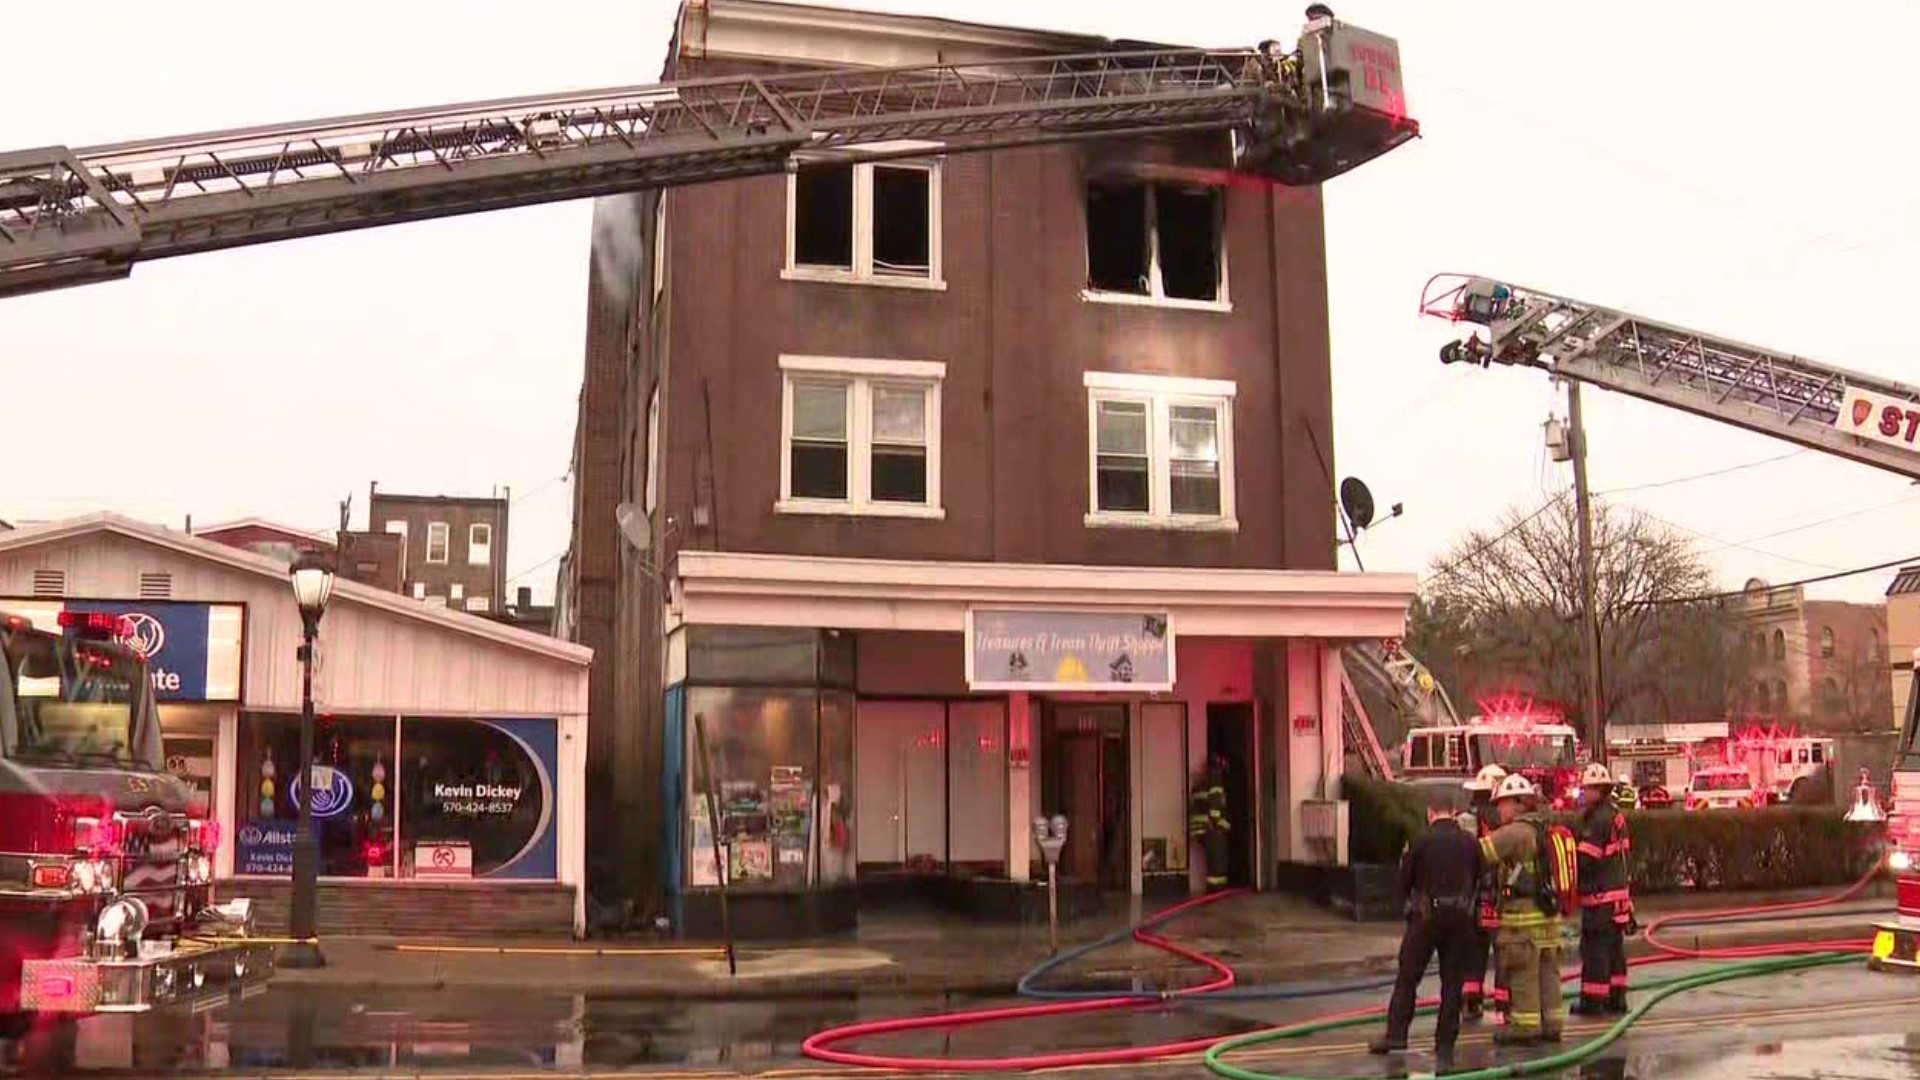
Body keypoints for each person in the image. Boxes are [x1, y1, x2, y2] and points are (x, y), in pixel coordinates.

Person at [1369, 804, 1482, 1065]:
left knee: (1408, 977)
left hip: (1426, 919)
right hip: (1459, 919)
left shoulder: (1420, 841)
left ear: (1430, 813)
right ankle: (1445, 1041)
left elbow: (1403, 880)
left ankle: (1396, 1035)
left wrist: (1408, 907)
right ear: (1453, 813)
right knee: (1452, 982)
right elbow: (1480, 875)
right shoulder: (1470, 842)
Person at [1476, 773, 1566, 1046]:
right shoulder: (1544, 827)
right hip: (1549, 917)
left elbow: (1480, 853)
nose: (1498, 810)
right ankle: (1552, 1024)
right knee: (1548, 974)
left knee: (1523, 974)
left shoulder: (1515, 832)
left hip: (1522, 919)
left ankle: (1525, 1028)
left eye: (1501, 804)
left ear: (1517, 803)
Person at [1572, 764, 1634, 1016]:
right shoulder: (1616, 815)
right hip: (1618, 897)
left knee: (1594, 949)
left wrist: (1566, 863)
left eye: (1586, 789)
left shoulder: (1596, 820)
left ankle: (1593, 1001)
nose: (1583, 794)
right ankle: (1617, 998)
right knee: (1614, 950)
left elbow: (1586, 859)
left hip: (1600, 899)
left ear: (1598, 790)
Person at [1461, 764, 1510, 1023]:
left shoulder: (1467, 820)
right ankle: (1504, 1005)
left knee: (1472, 954)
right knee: (1504, 954)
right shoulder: (1505, 820)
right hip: (1499, 897)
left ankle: (1471, 1003)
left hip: (1473, 899)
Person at [1188, 756, 1231, 891]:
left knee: (1212, 861)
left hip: (1200, 829)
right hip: (1211, 828)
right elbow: (1216, 805)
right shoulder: (1216, 779)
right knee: (1217, 862)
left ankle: (1213, 889)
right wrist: (1218, 823)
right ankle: (1217, 890)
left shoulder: (1200, 783)